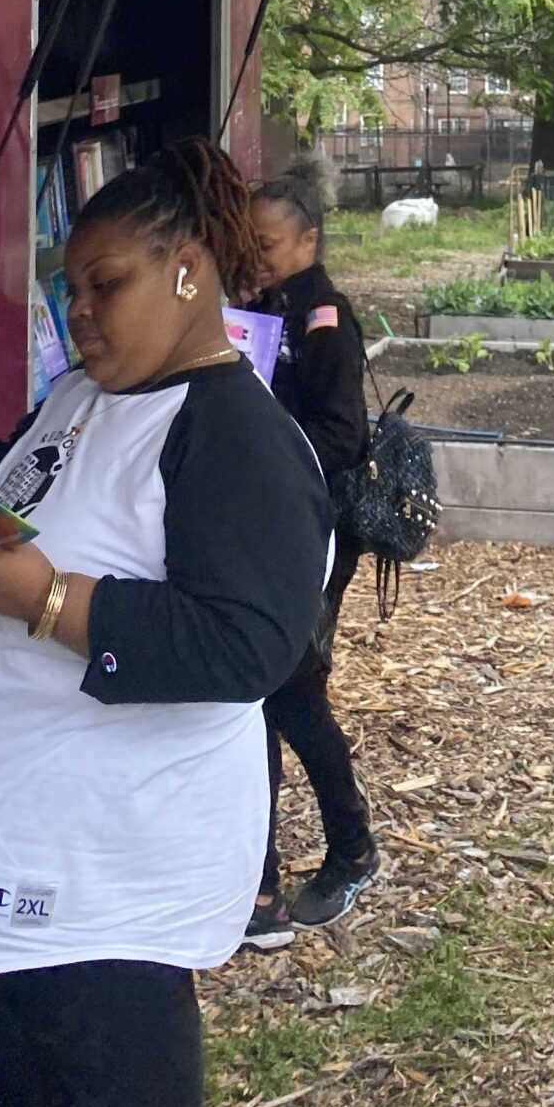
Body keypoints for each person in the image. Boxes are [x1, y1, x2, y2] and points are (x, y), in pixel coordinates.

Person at [0, 139, 333, 1107]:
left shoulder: (235, 434)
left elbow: (248, 644)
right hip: (17, 872)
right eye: (71, 288)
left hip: (102, 899)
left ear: (189, 273)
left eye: (106, 284)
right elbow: (53, 520)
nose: (80, 311)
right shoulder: (84, 395)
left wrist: (41, 596)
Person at [239, 159, 381, 946]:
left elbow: (342, 437)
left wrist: (267, 457)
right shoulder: (257, 307)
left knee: (290, 694)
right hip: (259, 529)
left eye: (267, 245)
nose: (255, 258)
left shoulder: (323, 316)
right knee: (260, 696)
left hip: (313, 532)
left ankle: (351, 848)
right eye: (248, 244)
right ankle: (255, 879)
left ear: (308, 240)